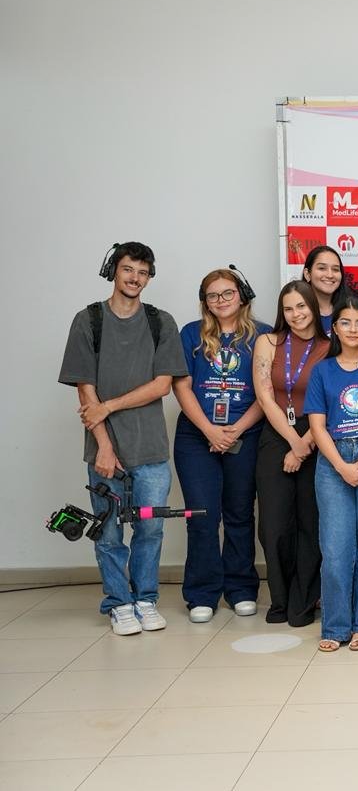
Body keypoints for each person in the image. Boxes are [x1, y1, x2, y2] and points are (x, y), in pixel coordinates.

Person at [58, 242, 187, 635]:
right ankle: (119, 603)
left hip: (150, 448)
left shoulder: (161, 321)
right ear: (113, 270)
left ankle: (146, 599)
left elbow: (162, 385)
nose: (135, 278)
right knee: (109, 531)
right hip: (103, 449)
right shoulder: (89, 320)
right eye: (128, 270)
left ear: (150, 277)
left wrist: (109, 407)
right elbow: (85, 389)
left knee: (150, 528)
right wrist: (105, 445)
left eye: (143, 272)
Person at [172, 268, 268, 624]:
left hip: (246, 434)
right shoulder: (189, 334)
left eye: (227, 293)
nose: (221, 301)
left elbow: (267, 392)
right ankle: (202, 592)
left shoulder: (263, 335)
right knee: (202, 516)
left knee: (240, 513)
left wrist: (234, 430)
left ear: (242, 295)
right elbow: (182, 386)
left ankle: (241, 589)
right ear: (205, 302)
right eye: (212, 296)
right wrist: (211, 430)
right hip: (197, 437)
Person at [304, 298, 358, 652]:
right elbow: (317, 426)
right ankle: (335, 625)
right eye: (345, 322)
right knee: (336, 546)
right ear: (334, 328)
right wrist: (341, 465)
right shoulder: (322, 371)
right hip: (333, 461)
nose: (353, 329)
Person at [251, 280, 330, 626]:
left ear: (313, 306)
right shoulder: (268, 342)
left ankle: (303, 600)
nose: (295, 314)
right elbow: (265, 396)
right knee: (274, 524)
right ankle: (280, 599)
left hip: (318, 434)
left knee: (310, 524)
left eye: (301, 306)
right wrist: (292, 443)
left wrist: (305, 444)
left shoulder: (331, 345)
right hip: (276, 433)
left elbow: (333, 400)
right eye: (288, 308)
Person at [301, 245, 349, 335]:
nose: (330, 275)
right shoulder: (297, 314)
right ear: (307, 274)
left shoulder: (352, 309)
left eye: (335, 269)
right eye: (322, 268)